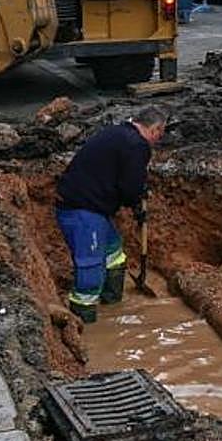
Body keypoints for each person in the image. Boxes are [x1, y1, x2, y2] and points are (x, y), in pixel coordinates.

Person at [54, 105, 168, 323]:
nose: (157, 140)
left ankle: (112, 304)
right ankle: (84, 321)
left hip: (90, 206)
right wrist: (137, 200)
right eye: (159, 135)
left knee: (114, 254)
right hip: (82, 210)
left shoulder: (118, 132)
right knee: (91, 267)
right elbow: (130, 187)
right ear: (155, 130)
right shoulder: (137, 145)